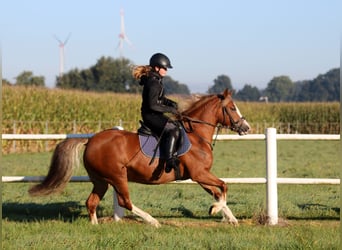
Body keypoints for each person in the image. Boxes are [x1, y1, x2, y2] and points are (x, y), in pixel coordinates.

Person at [133, 53, 180, 173]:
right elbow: (153, 105)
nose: (166, 70)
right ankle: (169, 160)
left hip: (154, 114)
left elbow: (160, 99)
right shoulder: (153, 83)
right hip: (151, 116)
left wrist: (171, 103)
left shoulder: (156, 80)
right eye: (164, 68)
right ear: (157, 68)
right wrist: (170, 110)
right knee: (173, 129)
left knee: (175, 126)